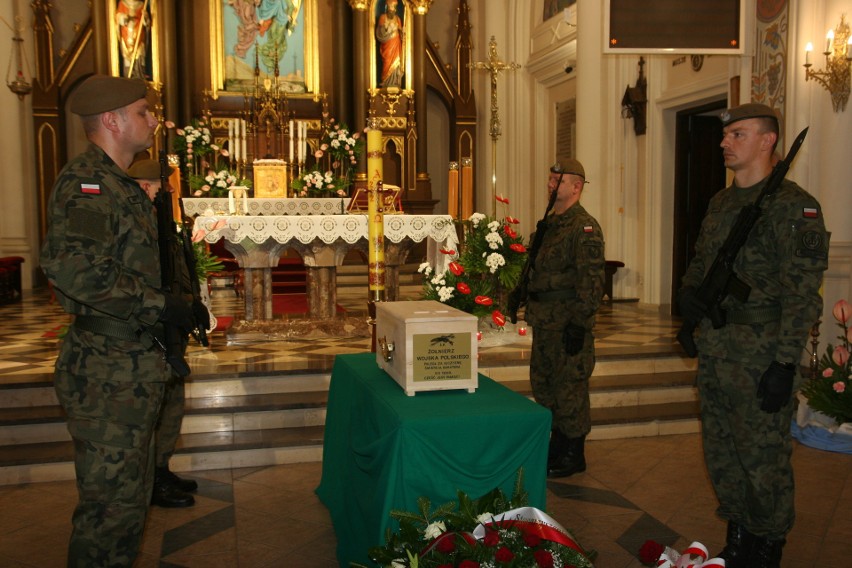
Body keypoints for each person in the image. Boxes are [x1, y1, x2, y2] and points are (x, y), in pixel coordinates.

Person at [40, 75, 196, 566]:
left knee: (127, 505)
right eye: (143, 112)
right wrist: (159, 305)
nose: (154, 120)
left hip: (132, 367)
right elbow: (72, 267)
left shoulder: (120, 183)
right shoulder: (88, 184)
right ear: (111, 120)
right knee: (109, 512)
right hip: (108, 373)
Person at [677, 103, 829, 568]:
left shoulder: (796, 207)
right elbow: (704, 264)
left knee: (762, 456)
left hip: (763, 352)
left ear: (768, 141)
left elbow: (802, 296)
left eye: (737, 134)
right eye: (726, 135)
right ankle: (739, 535)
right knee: (721, 450)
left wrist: (785, 364)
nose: (724, 142)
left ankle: (768, 544)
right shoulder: (721, 203)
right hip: (719, 347)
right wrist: (689, 307)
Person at [127, 158, 207, 509]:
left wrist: (192, 304)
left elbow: (176, 270)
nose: (172, 192)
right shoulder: (136, 227)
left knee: (172, 405)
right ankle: (150, 480)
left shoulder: (161, 223)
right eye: (165, 187)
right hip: (150, 334)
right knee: (154, 410)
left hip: (173, 330)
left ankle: (161, 468)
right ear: (145, 187)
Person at [525, 159, 605, 479]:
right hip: (545, 321)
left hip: (567, 322)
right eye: (550, 178)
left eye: (558, 179)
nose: (551, 183)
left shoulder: (584, 227)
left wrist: (579, 323)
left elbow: (592, 281)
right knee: (545, 386)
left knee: (570, 387)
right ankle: (558, 444)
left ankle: (574, 452)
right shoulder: (549, 224)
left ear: (576, 187)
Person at [376, 0, 404, 88]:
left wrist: (402, 32)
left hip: (396, 44)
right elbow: (380, 32)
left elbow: (401, 32)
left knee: (396, 64)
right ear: (387, 7)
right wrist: (387, 30)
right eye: (390, 7)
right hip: (387, 45)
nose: (392, 9)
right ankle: (385, 81)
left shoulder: (398, 19)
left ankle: (395, 82)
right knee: (387, 62)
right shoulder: (383, 17)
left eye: (394, 7)